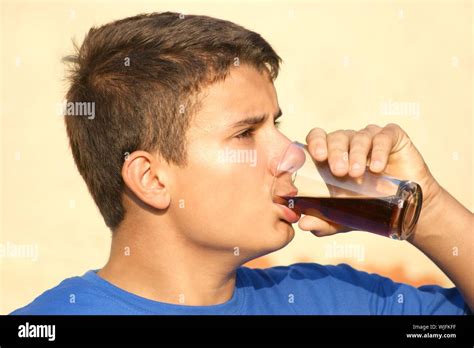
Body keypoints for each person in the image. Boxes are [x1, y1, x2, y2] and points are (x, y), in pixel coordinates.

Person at [11, 12, 473, 315]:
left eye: (277, 124)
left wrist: (427, 210)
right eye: (246, 133)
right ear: (151, 179)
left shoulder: (336, 301)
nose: (293, 152)